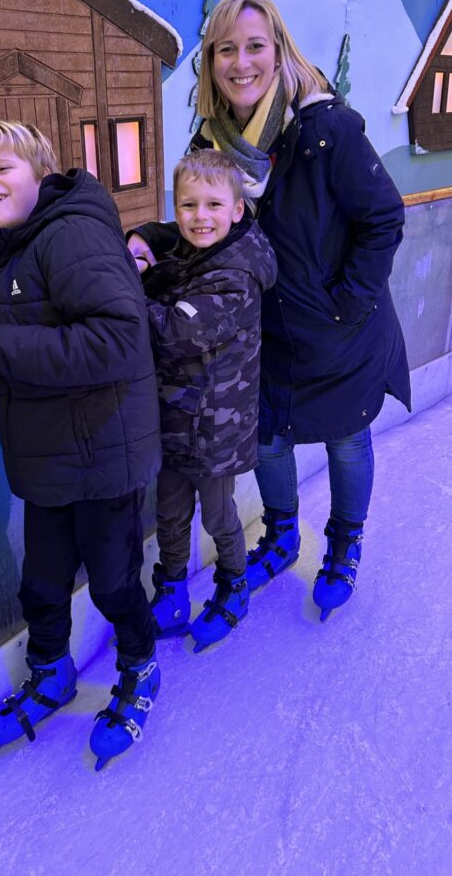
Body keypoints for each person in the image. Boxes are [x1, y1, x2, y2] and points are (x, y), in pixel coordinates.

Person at [130, 0, 411, 622]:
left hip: (342, 330)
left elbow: (384, 218)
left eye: (255, 46)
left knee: (346, 440)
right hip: (267, 333)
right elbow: (208, 219)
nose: (241, 61)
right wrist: (147, 238)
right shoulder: (212, 140)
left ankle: (343, 544)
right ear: (210, 62)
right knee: (268, 443)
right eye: (225, 49)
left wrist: (346, 302)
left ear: (278, 51)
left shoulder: (326, 130)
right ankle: (283, 535)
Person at [0, 120, 161, 770]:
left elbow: (120, 336)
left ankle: (140, 664)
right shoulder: (3, 246)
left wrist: (10, 348)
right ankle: (52, 673)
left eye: (2, 167)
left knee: (111, 585)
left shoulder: (71, 232)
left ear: (40, 171)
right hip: (49, 455)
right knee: (43, 583)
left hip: (105, 454)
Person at [129, 150, 277, 652]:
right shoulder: (200, 250)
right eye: (188, 206)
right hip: (176, 416)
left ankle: (233, 583)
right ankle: (170, 591)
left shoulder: (234, 275)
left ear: (237, 210)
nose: (199, 217)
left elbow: (174, 331)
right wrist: (143, 240)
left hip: (216, 426)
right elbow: (170, 255)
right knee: (169, 514)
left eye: (214, 205)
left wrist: (124, 291)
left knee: (217, 516)